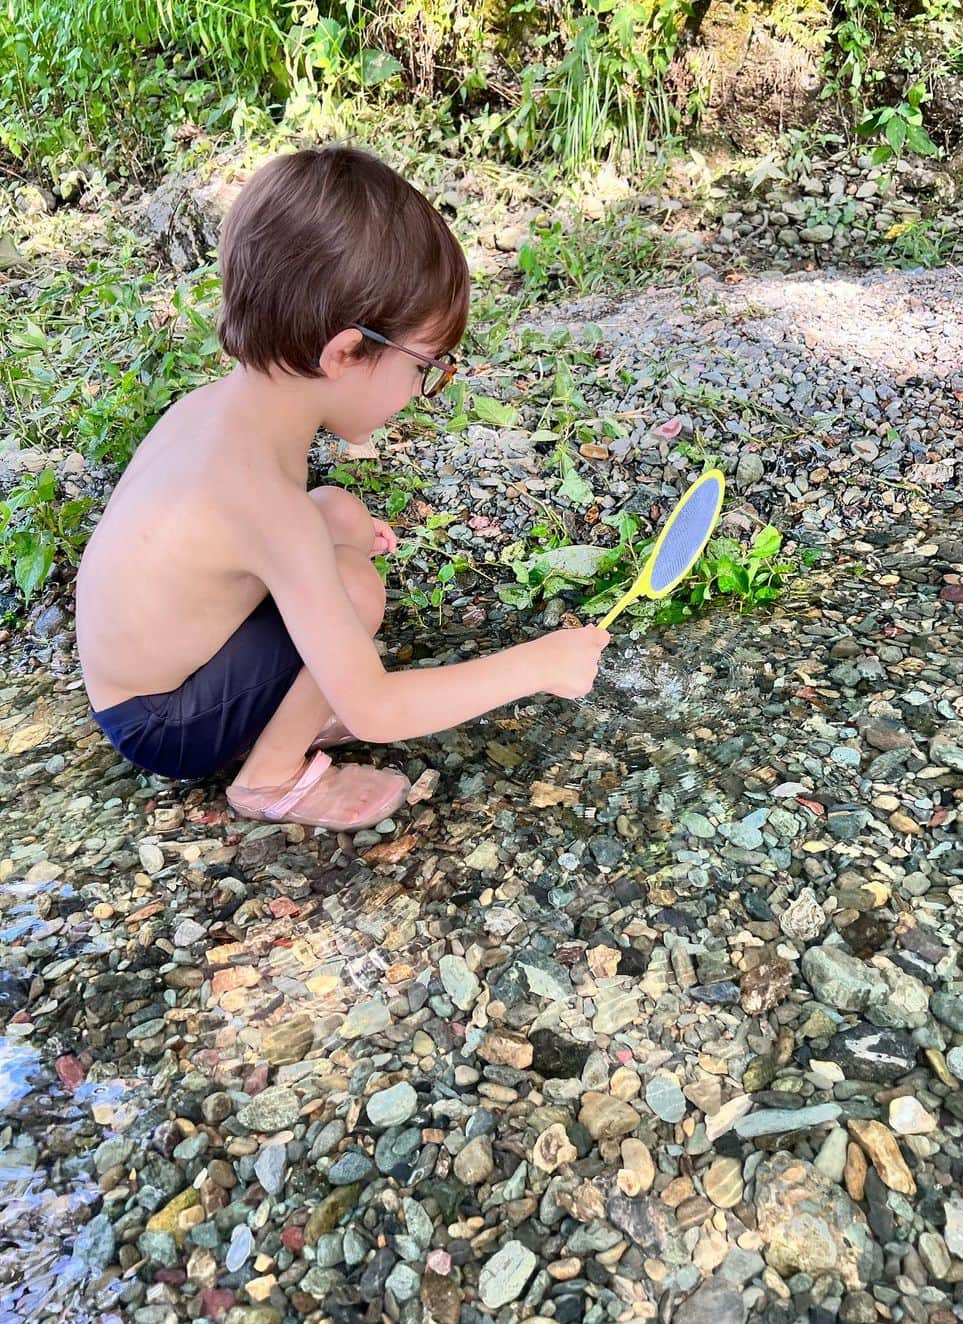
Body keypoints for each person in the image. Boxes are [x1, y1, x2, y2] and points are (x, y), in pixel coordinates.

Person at [75, 145, 609, 831]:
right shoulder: (261, 498)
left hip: (137, 674)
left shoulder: (215, 412)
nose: (422, 389)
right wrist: (539, 665)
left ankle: (282, 706)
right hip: (162, 721)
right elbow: (376, 711)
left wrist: (329, 538)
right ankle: (268, 779)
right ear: (345, 353)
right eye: (425, 367)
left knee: (336, 515)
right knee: (354, 588)